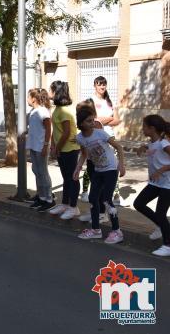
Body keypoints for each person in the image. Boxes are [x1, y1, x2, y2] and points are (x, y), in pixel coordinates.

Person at [73, 106, 126, 244]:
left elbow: (119, 147)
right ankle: (96, 230)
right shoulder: (79, 138)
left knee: (107, 200)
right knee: (92, 198)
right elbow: (84, 154)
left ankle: (117, 231)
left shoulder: (101, 134)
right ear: (82, 123)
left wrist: (121, 165)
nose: (93, 123)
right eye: (89, 121)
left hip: (110, 169)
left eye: (93, 120)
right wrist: (78, 169)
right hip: (97, 170)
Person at [80, 76, 126, 206]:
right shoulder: (90, 101)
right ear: (95, 85)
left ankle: (113, 196)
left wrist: (102, 119)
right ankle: (88, 194)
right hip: (95, 139)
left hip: (109, 137)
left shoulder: (110, 101)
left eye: (104, 84)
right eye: (99, 84)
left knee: (112, 167)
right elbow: (93, 120)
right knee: (94, 168)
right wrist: (107, 119)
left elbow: (117, 120)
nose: (102, 87)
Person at [134, 115, 170, 257]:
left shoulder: (164, 144)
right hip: (156, 183)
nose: (142, 129)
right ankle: (163, 227)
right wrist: (142, 147)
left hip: (167, 184)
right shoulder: (153, 143)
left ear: (152, 128)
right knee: (139, 203)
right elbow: (152, 148)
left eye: (144, 126)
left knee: (161, 213)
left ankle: (168, 244)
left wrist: (160, 170)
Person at [47, 81, 81, 220]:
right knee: (66, 178)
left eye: (51, 90)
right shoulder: (58, 109)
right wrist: (53, 146)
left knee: (72, 178)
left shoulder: (65, 110)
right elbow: (56, 130)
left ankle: (74, 207)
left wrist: (57, 148)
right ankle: (65, 204)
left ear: (56, 92)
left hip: (70, 149)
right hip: (62, 149)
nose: (49, 92)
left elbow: (66, 133)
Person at [25, 89, 55, 211]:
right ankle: (41, 197)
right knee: (36, 170)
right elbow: (36, 128)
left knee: (43, 172)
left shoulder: (42, 111)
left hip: (40, 146)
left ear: (34, 98)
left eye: (28, 97)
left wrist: (46, 145)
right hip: (33, 146)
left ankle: (49, 199)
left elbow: (48, 129)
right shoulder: (33, 111)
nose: (27, 99)